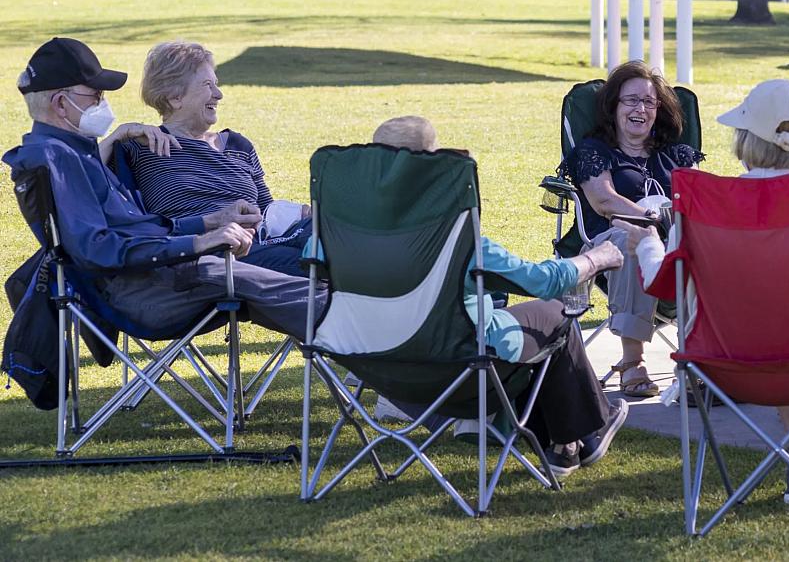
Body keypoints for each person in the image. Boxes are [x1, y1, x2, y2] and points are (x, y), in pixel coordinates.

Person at [613, 80, 789, 508]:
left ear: (746, 138)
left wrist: (645, 242)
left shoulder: (708, 202)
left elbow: (663, 283)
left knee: (777, 323)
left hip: (727, 364)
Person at [4, 37, 324, 340]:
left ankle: (359, 332)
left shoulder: (71, 155)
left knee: (324, 253)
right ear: (61, 104)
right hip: (157, 284)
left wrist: (209, 223)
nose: (104, 104)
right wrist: (199, 242)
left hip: (171, 269)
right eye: (96, 97)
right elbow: (99, 249)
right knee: (319, 285)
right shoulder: (59, 160)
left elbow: (137, 229)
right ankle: (363, 347)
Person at [371, 116, 629, 479]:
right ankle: (579, 435)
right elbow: (540, 281)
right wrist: (595, 258)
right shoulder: (451, 235)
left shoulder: (341, 233)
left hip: (378, 365)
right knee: (554, 314)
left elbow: (309, 260)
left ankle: (569, 441)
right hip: (456, 371)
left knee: (508, 316)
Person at [560, 61, 704, 399]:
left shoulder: (677, 154)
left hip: (674, 244)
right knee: (632, 239)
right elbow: (604, 201)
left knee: (708, 245)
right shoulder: (594, 151)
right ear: (614, 108)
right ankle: (632, 361)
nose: (640, 109)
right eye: (631, 101)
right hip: (609, 245)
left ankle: (700, 363)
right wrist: (653, 219)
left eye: (649, 102)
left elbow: (699, 198)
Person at [112, 41, 309, 276]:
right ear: (175, 97)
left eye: (216, 84)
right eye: (207, 85)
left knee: (325, 233)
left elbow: (266, 209)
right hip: (207, 255)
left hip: (260, 244)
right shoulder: (142, 146)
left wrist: (296, 215)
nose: (219, 94)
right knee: (315, 259)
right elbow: (82, 175)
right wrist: (118, 135)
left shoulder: (238, 145)